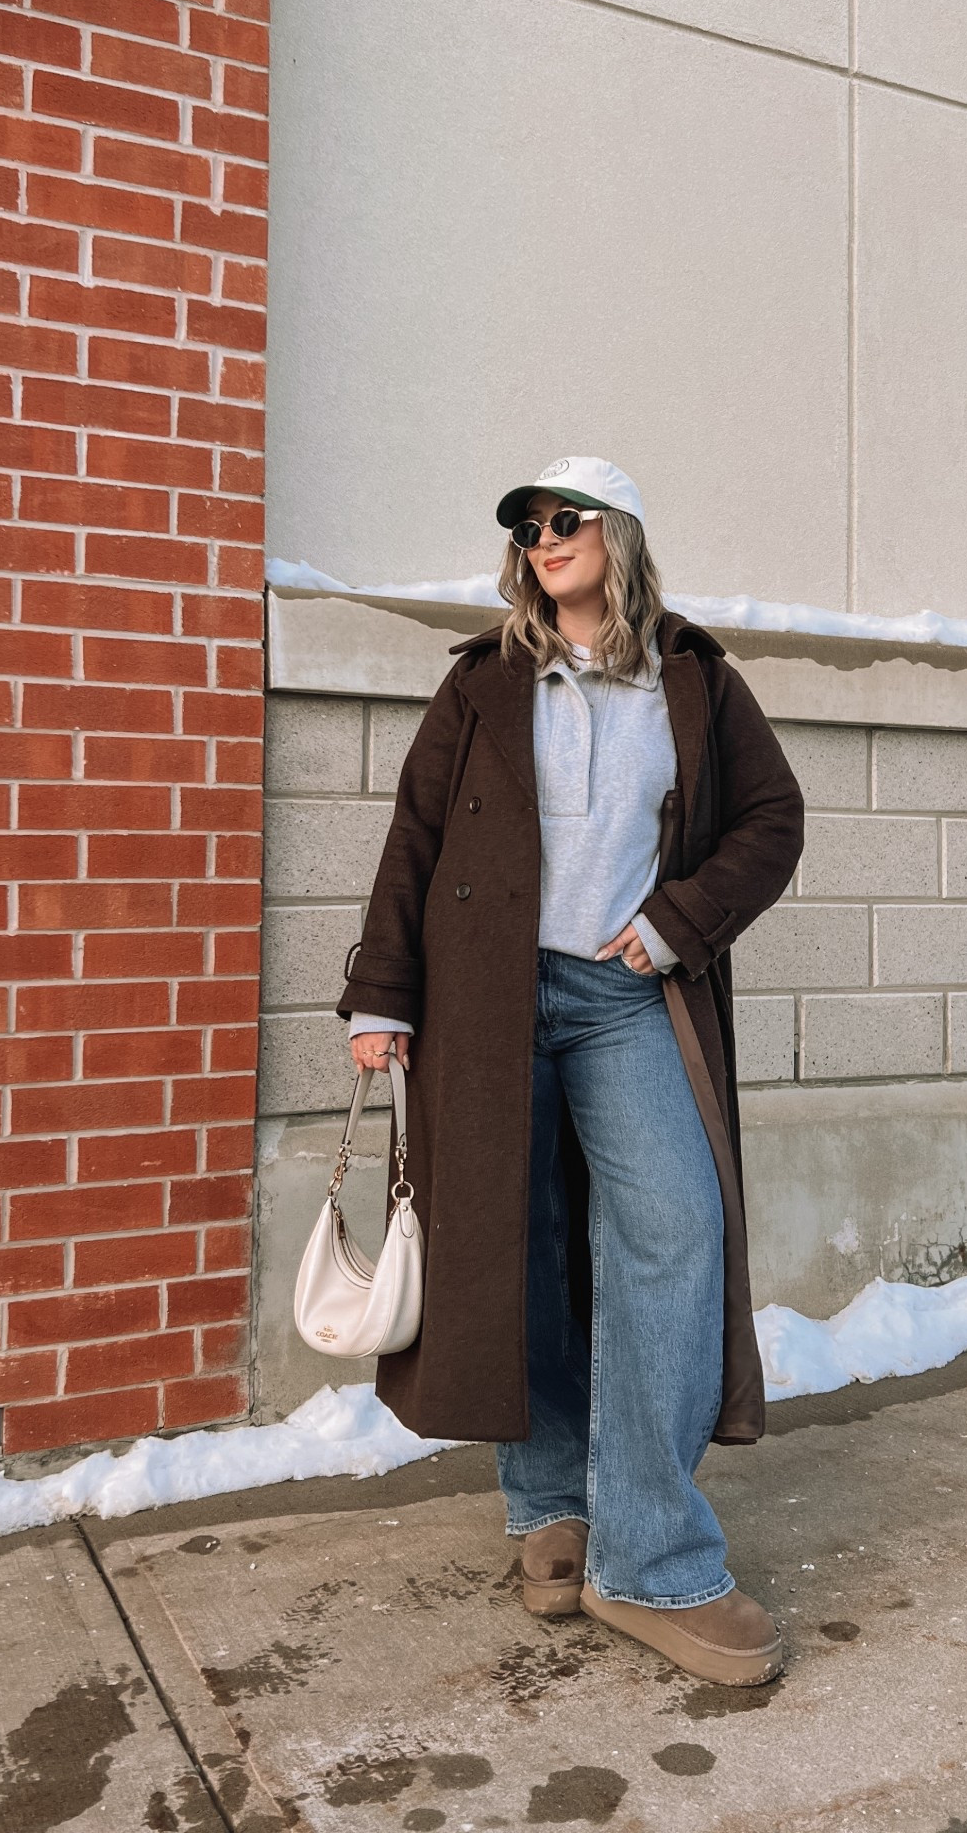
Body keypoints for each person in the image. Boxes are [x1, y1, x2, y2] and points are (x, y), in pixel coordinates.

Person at [338, 457, 804, 1686]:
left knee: (674, 1226)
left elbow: (773, 820)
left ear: (621, 531)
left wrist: (675, 920)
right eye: (529, 526)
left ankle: (649, 1555)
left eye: (567, 519)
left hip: (622, 997)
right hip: (486, 1002)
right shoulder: (484, 682)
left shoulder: (696, 679)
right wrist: (382, 991)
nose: (544, 539)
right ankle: (550, 1506)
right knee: (515, 1241)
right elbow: (416, 842)